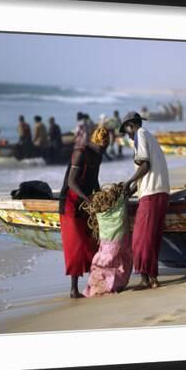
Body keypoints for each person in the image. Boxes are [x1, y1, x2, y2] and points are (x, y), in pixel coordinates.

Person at [120, 111, 170, 290]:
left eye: (127, 130)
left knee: (140, 238)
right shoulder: (150, 137)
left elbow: (145, 165)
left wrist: (129, 182)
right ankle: (153, 278)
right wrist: (132, 189)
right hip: (161, 191)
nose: (128, 134)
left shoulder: (140, 134)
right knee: (152, 237)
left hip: (151, 194)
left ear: (131, 126)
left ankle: (144, 279)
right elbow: (148, 171)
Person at [59, 126, 110, 298]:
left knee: (92, 243)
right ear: (95, 142)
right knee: (77, 245)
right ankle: (73, 289)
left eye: (104, 149)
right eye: (101, 148)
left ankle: (94, 283)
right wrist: (87, 199)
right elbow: (72, 182)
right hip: (71, 204)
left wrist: (101, 196)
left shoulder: (98, 156)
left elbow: (94, 179)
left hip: (87, 204)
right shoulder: (80, 153)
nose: (102, 151)